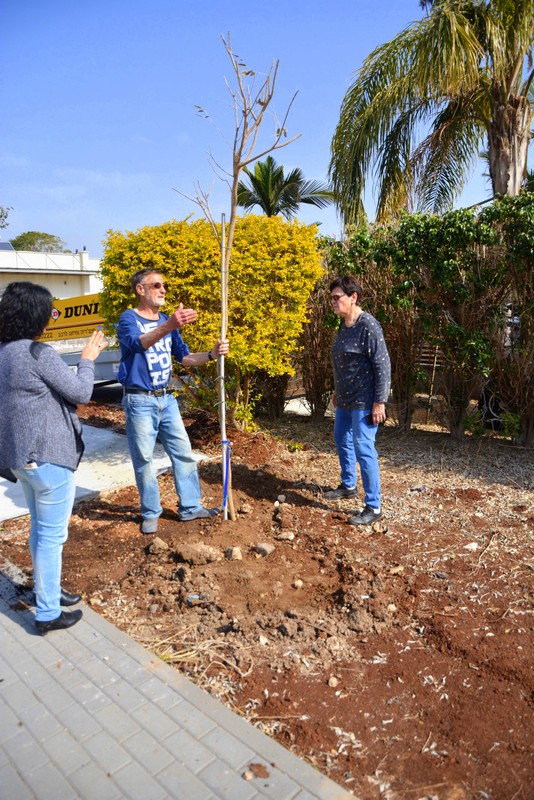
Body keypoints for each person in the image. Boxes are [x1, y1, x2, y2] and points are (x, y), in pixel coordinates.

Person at [0, 281, 106, 633]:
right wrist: (87, 361)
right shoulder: (36, 353)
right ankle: (46, 614)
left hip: (20, 459)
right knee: (51, 536)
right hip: (49, 458)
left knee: (40, 531)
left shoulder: (3, 353)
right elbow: (82, 392)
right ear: (37, 317)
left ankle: (49, 589)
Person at [117, 269, 229, 533]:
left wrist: (212, 355)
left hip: (167, 399)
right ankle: (150, 512)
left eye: (164, 285)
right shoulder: (128, 318)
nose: (163, 289)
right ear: (140, 290)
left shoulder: (168, 321)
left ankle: (190, 507)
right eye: (156, 285)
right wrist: (170, 325)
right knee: (144, 459)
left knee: (183, 454)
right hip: (139, 401)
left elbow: (185, 358)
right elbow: (137, 344)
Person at [325, 276, 391, 525]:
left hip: (365, 400)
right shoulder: (344, 324)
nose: (332, 302)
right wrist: (337, 389)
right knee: (341, 437)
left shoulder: (369, 326)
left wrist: (379, 402)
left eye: (336, 297)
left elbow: (383, 365)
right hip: (345, 398)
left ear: (353, 298)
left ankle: (373, 507)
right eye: (331, 297)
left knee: (364, 449)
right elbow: (344, 361)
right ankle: (348, 485)